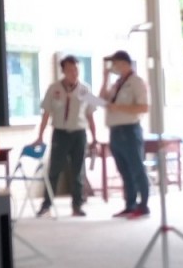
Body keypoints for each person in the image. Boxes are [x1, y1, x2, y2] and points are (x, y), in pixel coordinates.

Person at [33, 55, 98, 217]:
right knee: (54, 170)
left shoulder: (85, 89)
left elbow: (90, 115)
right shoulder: (53, 88)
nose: (74, 73)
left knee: (78, 170)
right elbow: (46, 114)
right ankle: (46, 205)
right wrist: (40, 135)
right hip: (60, 133)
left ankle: (77, 205)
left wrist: (94, 138)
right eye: (70, 70)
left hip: (79, 134)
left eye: (76, 69)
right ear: (63, 71)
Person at [100, 49, 150, 218]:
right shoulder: (117, 83)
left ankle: (143, 205)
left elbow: (144, 107)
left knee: (136, 168)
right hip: (115, 130)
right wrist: (105, 79)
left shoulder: (136, 82)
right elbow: (103, 99)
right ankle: (130, 204)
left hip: (129, 130)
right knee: (124, 170)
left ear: (124, 63)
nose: (113, 67)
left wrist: (119, 108)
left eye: (115, 64)